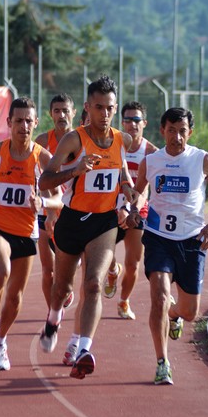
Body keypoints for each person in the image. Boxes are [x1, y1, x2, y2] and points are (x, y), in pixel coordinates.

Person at [38, 74, 135, 379]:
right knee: (61, 289)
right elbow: (45, 182)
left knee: (93, 283)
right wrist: (75, 169)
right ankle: (53, 320)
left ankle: (83, 349)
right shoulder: (74, 140)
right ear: (87, 107)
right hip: (72, 220)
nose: (104, 114)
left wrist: (129, 192)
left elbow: (122, 173)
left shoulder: (122, 140)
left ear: (115, 108)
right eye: (98, 107)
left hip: (104, 223)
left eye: (109, 108)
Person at [126, 107, 208, 385]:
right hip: (159, 238)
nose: (177, 137)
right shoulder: (152, 160)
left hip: (192, 240)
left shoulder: (202, 159)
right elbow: (140, 192)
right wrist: (134, 209)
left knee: (189, 311)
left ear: (190, 132)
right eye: (171, 130)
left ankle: (175, 314)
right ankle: (163, 363)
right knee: (159, 296)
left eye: (182, 131)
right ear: (162, 131)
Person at [0, 96, 61, 371]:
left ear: (36, 123)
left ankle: (0, 341)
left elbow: (59, 198)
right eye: (18, 120)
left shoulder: (43, 158)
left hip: (26, 232)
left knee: (16, 297)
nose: (24, 125)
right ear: (9, 123)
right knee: (1, 271)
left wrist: (45, 205)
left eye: (29, 120)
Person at [103, 101, 158, 320]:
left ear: (144, 123)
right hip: (110, 208)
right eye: (128, 120)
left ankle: (124, 301)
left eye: (137, 120)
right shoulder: (113, 146)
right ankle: (112, 271)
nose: (132, 125)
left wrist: (132, 208)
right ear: (122, 122)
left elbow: (146, 190)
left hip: (137, 210)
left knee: (134, 263)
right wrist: (119, 206)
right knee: (101, 254)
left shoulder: (152, 153)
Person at [34, 93, 77, 311]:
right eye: (57, 111)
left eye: (65, 110)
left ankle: (65, 288)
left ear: (74, 113)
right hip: (47, 210)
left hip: (73, 212)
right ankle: (53, 312)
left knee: (65, 271)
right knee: (47, 270)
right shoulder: (42, 142)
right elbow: (38, 176)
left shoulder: (81, 140)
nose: (61, 115)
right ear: (51, 114)